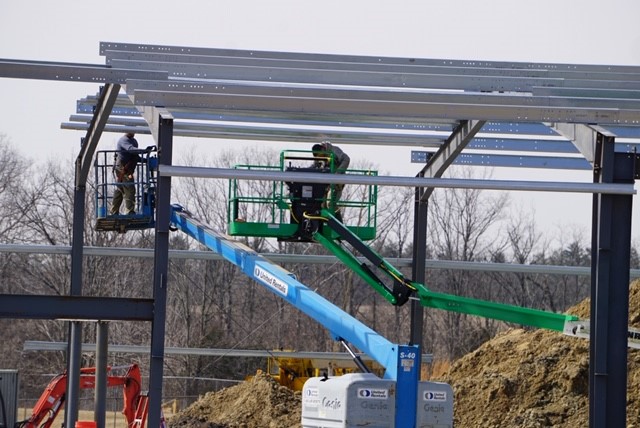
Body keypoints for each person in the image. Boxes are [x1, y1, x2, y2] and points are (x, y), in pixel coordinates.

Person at [312, 141, 350, 217]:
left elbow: (346, 159)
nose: (321, 158)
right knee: (321, 202)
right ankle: (324, 220)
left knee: (332, 203)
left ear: (323, 149)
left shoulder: (334, 150)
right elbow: (315, 166)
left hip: (337, 181)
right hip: (326, 181)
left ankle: (338, 223)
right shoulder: (319, 157)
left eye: (321, 155)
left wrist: (337, 174)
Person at [110, 132, 140, 215]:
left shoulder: (134, 141)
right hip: (122, 168)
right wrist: (144, 151)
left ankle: (113, 211)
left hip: (128, 168)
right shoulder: (123, 140)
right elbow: (130, 149)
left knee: (120, 189)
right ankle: (129, 211)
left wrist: (145, 158)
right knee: (130, 188)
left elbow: (135, 156)